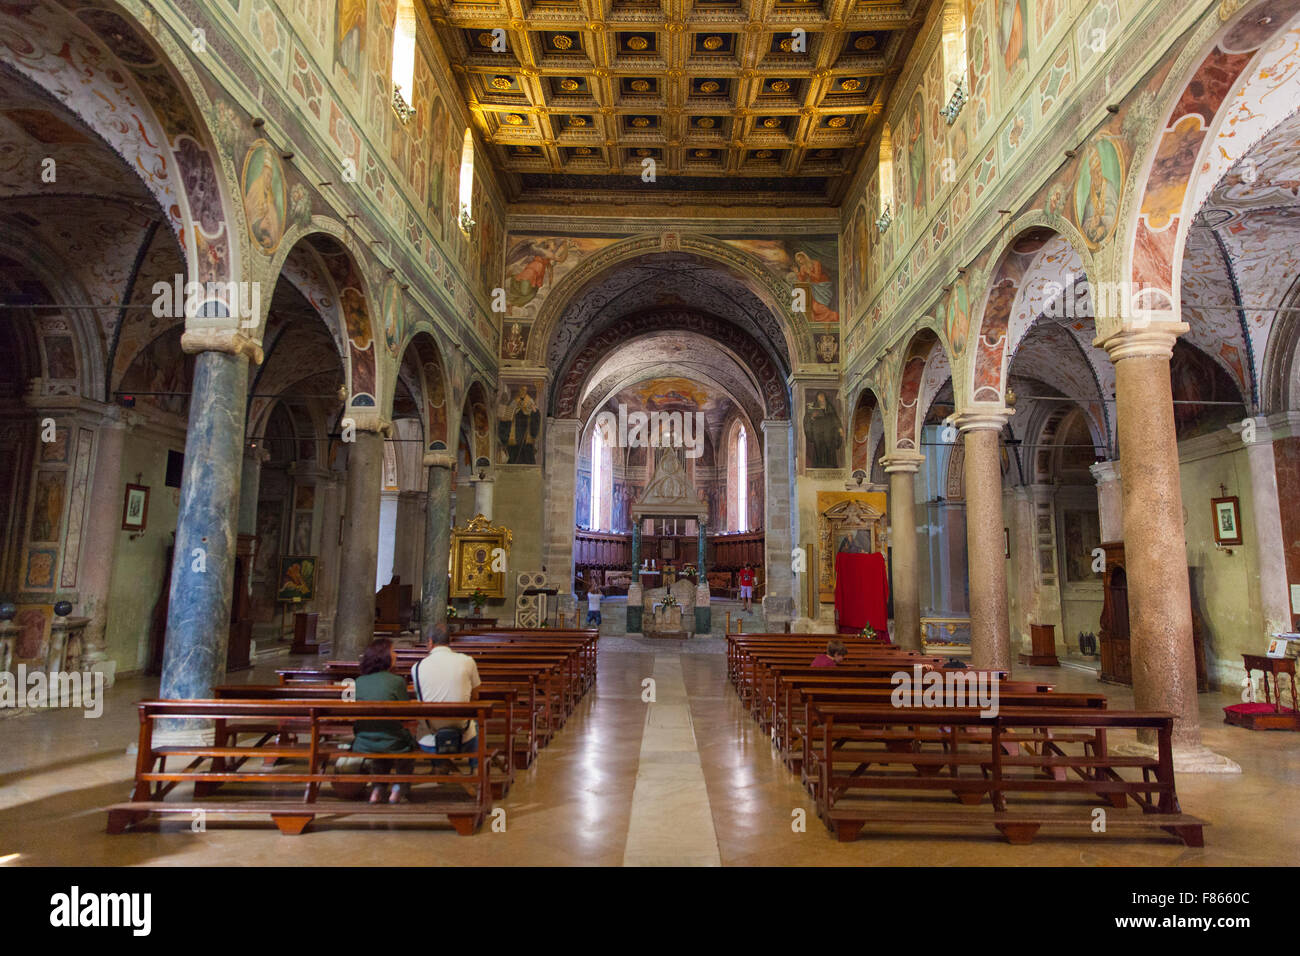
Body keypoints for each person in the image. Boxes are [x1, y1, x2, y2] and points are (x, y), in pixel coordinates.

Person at [411, 623, 482, 776]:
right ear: (449, 640)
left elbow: (420, 697)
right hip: (463, 737)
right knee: (476, 722)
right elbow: (476, 696)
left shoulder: (417, 667)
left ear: (430, 642)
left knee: (423, 721)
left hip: (429, 739)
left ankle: (439, 764)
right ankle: (476, 768)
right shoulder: (467, 661)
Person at [351, 638, 415, 804]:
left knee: (383, 736)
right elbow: (405, 713)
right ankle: (397, 789)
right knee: (404, 744)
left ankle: (378, 788)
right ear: (384, 656)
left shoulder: (358, 682)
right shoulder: (397, 681)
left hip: (363, 741)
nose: (396, 655)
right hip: (392, 741)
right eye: (393, 652)